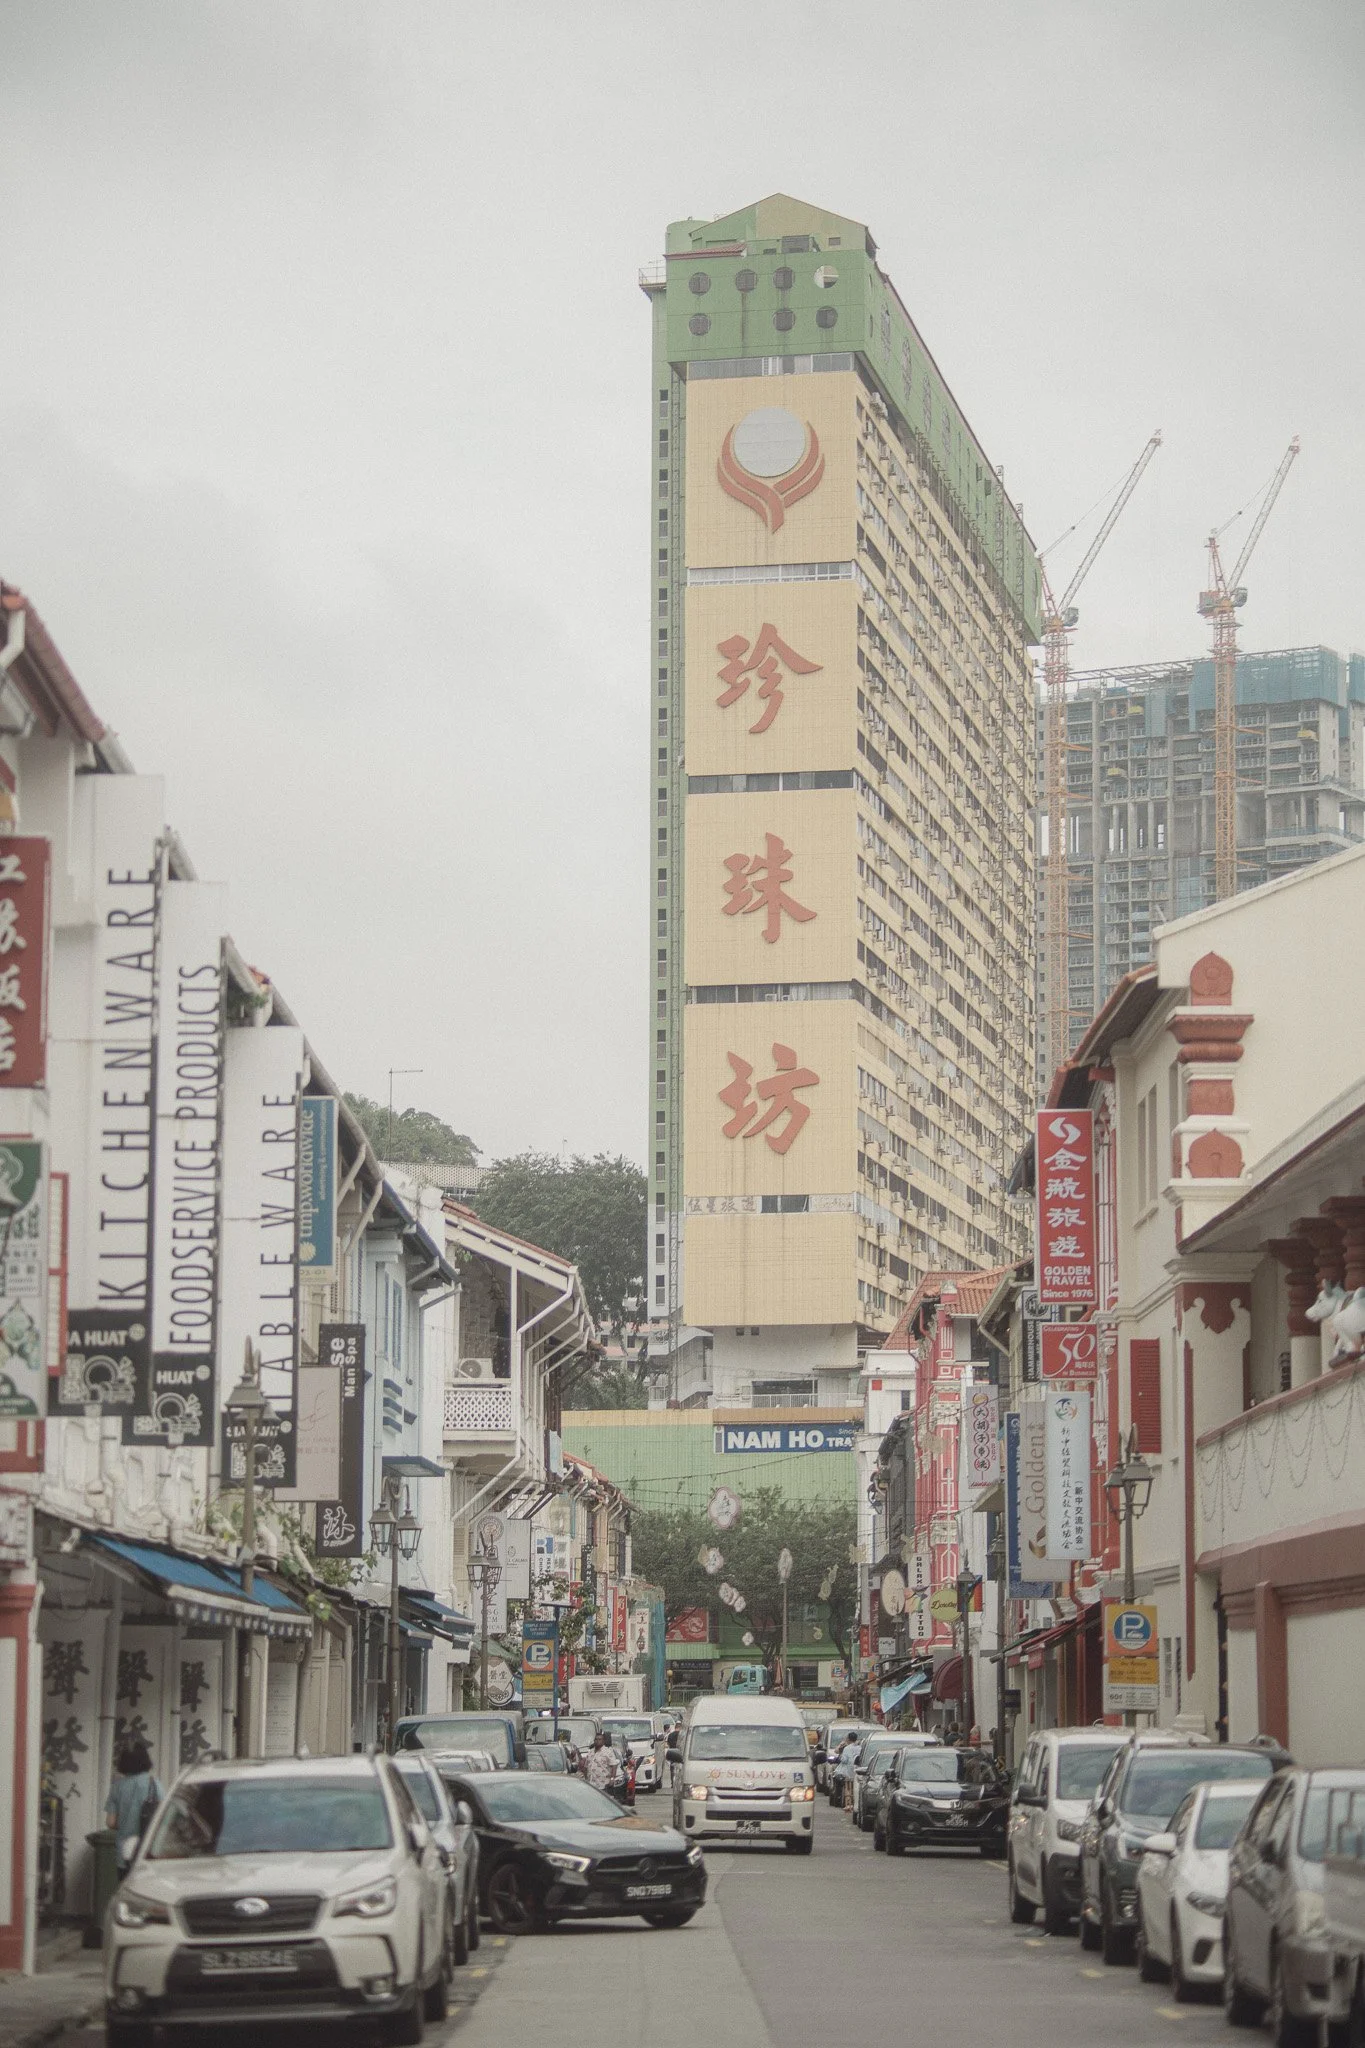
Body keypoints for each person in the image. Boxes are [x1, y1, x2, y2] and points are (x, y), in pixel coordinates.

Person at [104, 1737, 162, 1877]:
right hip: (149, 1853)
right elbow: (163, 1815)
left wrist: (126, 1821)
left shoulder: (117, 1787)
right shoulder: (154, 1784)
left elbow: (110, 1822)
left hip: (124, 1855)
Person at [583, 1730, 618, 1795]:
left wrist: (612, 1778)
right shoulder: (590, 1752)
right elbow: (585, 1767)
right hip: (591, 1785)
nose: (597, 1741)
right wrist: (586, 1779)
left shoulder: (608, 1752)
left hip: (603, 1785)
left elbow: (614, 1766)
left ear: (603, 1741)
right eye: (596, 1739)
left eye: (600, 1739)